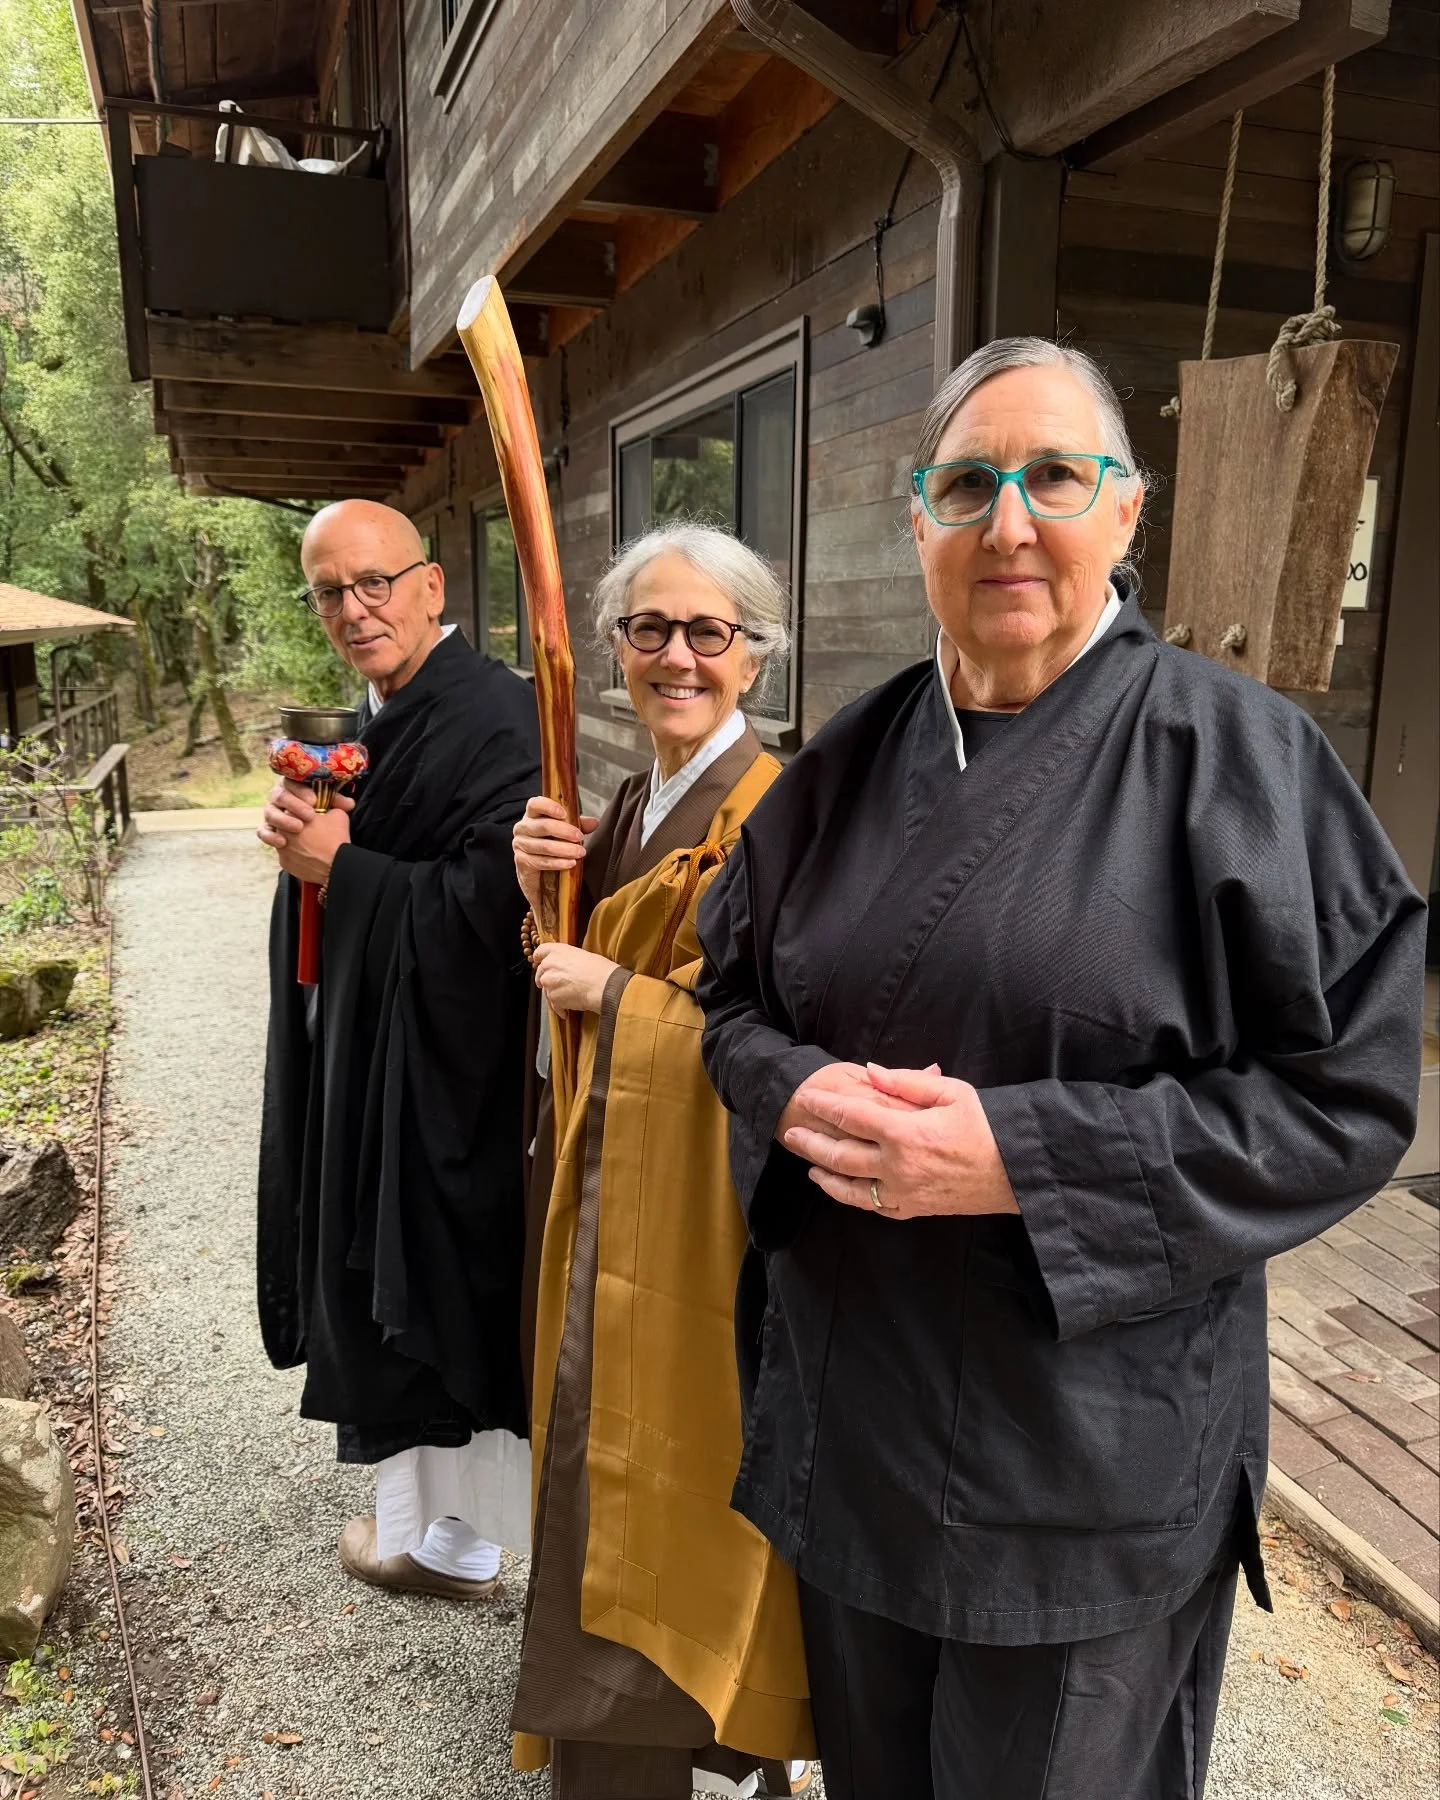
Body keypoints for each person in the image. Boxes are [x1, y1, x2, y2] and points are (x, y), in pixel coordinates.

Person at [695, 338, 1426, 1800]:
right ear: (919, 524)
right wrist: (792, 1093)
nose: (1008, 522)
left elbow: (1344, 1098)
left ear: (1127, 513)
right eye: (967, 485)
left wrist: (1024, 1158)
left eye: (1053, 478)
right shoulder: (838, 769)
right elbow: (729, 1009)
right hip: (860, 1427)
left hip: (1087, 1466)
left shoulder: (1244, 763)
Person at [509, 523, 813, 1799]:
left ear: (756, 657)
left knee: (659, 1479)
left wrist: (619, 994)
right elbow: (568, 983)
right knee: (591, 1459)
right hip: (601, 1178)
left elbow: (790, 1037)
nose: (676, 656)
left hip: (692, 1225)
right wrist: (545, 895)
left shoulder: (779, 814)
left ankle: (656, 1741)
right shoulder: (635, 797)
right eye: (649, 629)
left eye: (708, 633)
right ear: (616, 647)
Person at [256, 499, 541, 1602]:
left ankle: (460, 1544)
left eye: (376, 582)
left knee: (438, 1281)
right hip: (383, 1047)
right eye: (331, 590)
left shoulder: (492, 715)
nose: (354, 608)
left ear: (432, 585)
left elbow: (495, 905)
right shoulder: (383, 713)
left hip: (453, 1066)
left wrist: (348, 870)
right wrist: (311, 840)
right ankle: (424, 1532)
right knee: (393, 1275)